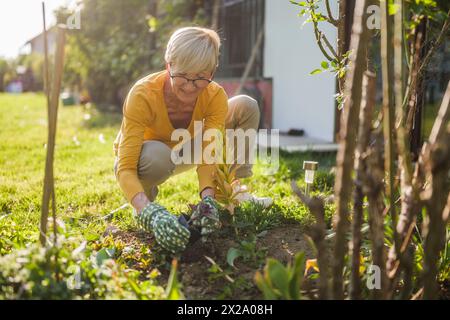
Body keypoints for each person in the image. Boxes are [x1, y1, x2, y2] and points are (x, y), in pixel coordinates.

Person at [113, 26, 272, 254]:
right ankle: (143, 202)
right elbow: (126, 167)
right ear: (169, 66)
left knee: (245, 105)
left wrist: (207, 199)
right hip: (146, 158)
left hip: (185, 148)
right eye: (182, 76)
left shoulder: (214, 95)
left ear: (212, 71)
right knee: (157, 157)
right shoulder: (143, 95)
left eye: (200, 78)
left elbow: (210, 151)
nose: (190, 87)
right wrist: (148, 210)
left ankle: (232, 193)